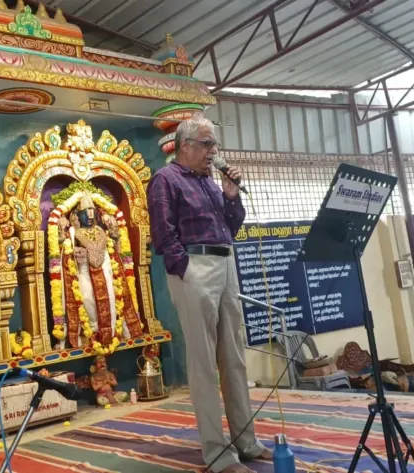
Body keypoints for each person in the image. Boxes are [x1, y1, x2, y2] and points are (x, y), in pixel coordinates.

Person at [147, 115, 272, 473]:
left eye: (214, 144)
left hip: (225, 264)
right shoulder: (165, 179)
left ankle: (246, 442)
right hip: (195, 269)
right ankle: (218, 454)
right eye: (207, 144)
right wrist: (185, 270)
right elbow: (163, 234)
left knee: (234, 358)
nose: (213, 151)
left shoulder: (210, 183)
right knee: (204, 364)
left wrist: (231, 197)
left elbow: (229, 228)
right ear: (185, 146)